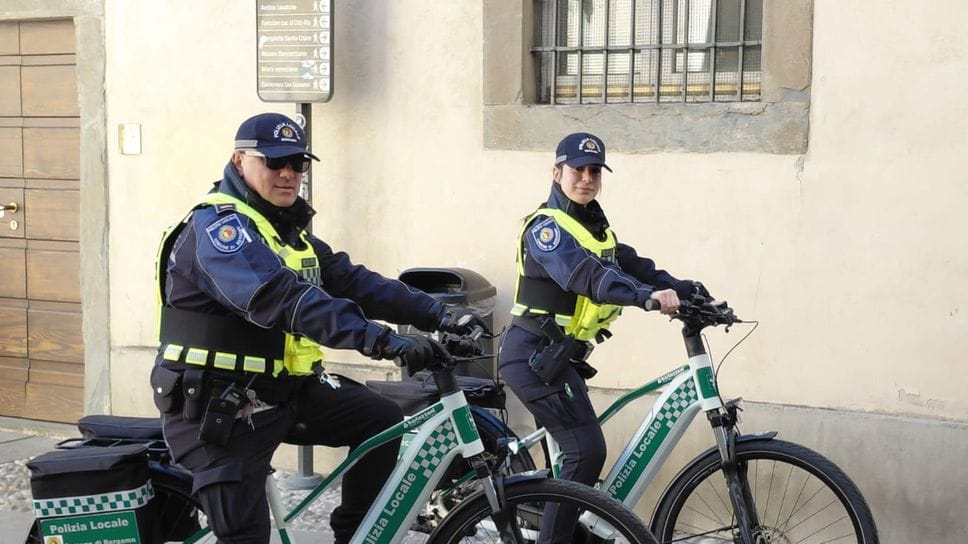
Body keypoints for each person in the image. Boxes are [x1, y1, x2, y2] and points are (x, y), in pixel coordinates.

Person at [151, 112, 487, 544]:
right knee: (245, 535)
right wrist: (382, 341)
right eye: (275, 163)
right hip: (219, 405)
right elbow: (282, 299)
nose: (288, 174)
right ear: (239, 162)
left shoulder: (287, 230)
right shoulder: (219, 229)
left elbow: (353, 281)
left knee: (383, 421)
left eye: (298, 163)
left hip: (281, 391)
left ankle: (355, 535)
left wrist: (437, 314)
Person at [498, 132, 711, 541]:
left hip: (556, 358)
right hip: (530, 357)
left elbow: (638, 267)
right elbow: (586, 275)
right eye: (578, 169)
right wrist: (645, 298)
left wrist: (692, 291)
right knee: (586, 450)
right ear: (557, 171)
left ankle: (572, 532)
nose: (586, 178)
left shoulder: (597, 232)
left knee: (578, 456)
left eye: (595, 171)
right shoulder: (547, 229)